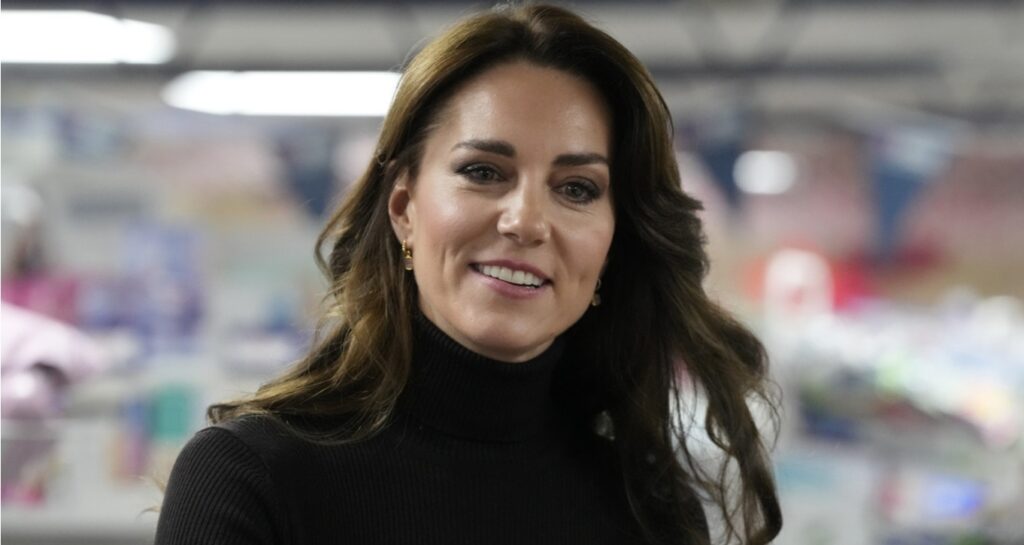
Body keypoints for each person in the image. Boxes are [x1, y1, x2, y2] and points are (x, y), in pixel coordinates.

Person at [155, 4, 782, 544]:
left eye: (576, 188)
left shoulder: (651, 510)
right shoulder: (252, 476)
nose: (526, 221)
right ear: (404, 208)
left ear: (614, 243)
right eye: (483, 172)